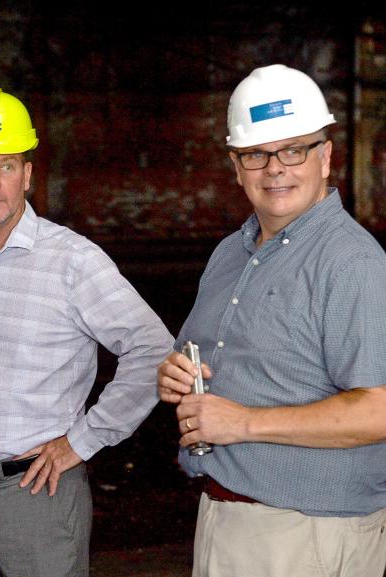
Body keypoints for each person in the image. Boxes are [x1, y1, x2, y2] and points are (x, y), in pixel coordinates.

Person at [0, 87, 174, 577]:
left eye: (6, 166)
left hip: (37, 493)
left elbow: (153, 349)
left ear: (27, 175)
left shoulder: (73, 261)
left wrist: (84, 440)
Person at [157, 64, 386, 577]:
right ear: (236, 166)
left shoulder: (353, 264)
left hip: (309, 533)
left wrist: (242, 423)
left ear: (325, 157)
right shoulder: (231, 253)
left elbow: (379, 411)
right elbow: (212, 360)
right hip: (225, 514)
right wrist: (173, 373)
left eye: (293, 150)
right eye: (256, 154)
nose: (275, 169)